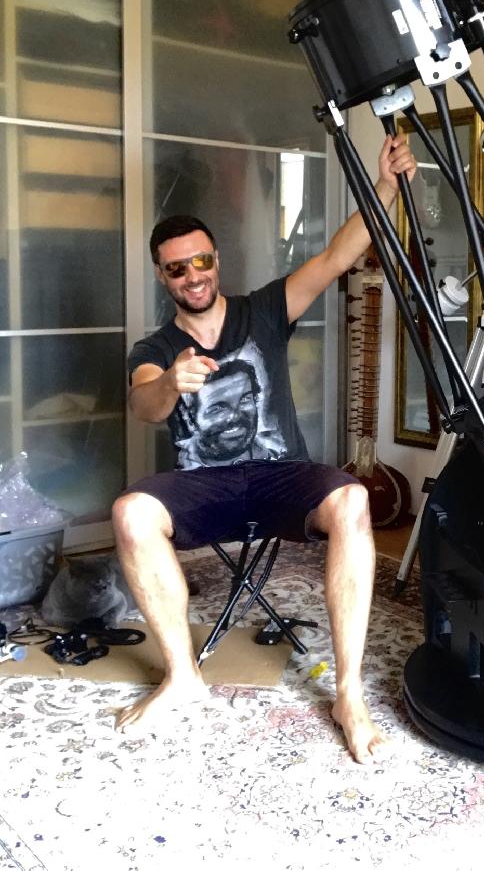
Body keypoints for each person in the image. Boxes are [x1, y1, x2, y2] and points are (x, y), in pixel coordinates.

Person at [112, 133, 416, 764]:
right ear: (163, 277)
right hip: (204, 486)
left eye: (200, 261)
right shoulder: (155, 349)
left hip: (281, 476)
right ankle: (182, 676)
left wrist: (386, 188)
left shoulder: (266, 310)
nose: (193, 275)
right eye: (177, 268)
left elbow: (337, 256)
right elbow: (143, 404)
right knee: (130, 511)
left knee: (353, 500)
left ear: (216, 260)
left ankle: (348, 696)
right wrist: (170, 382)